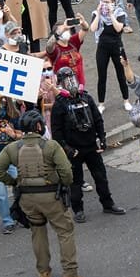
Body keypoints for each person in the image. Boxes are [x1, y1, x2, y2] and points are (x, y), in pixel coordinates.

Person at [0, 110, 81, 277]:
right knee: (65, 231)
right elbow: (67, 172)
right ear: (39, 126)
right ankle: (70, 274)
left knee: (37, 232)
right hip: (51, 196)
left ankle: (44, 272)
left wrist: (15, 182)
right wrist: (64, 183)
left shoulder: (13, 148)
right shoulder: (51, 146)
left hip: (27, 198)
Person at [51, 68, 124, 221]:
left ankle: (108, 204)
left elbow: (98, 120)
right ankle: (78, 210)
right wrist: (67, 149)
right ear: (60, 83)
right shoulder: (59, 104)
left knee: (101, 177)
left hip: (91, 146)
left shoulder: (87, 98)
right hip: (74, 150)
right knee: (75, 182)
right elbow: (56, 132)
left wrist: (103, 139)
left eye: (72, 78)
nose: (70, 82)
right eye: (66, 80)